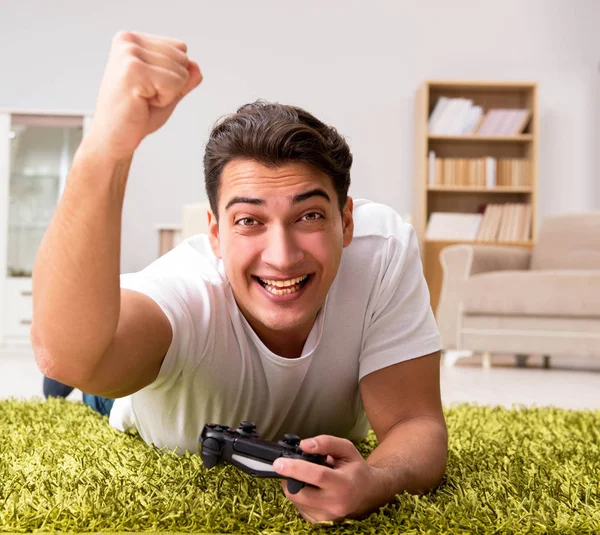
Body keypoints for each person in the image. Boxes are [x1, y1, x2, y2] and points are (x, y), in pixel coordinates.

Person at [33, 31, 447, 524]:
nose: (283, 256)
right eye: (249, 221)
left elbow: (414, 422)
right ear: (215, 233)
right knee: (88, 381)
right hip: (142, 394)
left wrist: (377, 480)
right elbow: (69, 354)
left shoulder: (383, 252)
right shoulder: (186, 289)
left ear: (347, 222)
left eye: (310, 216)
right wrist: (107, 147)